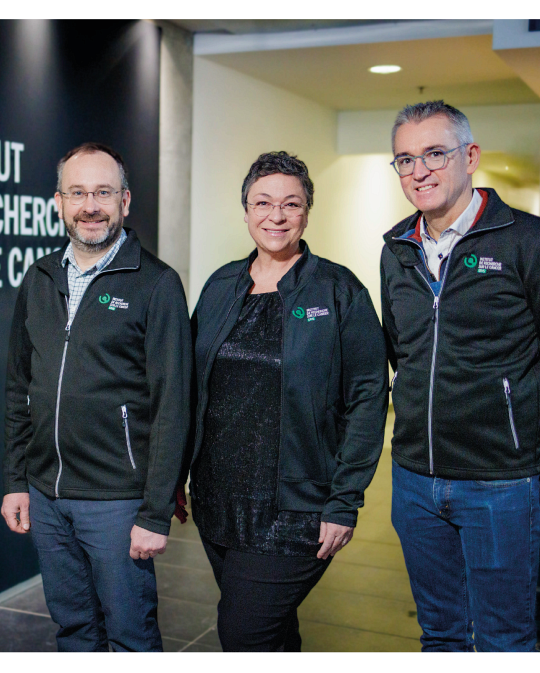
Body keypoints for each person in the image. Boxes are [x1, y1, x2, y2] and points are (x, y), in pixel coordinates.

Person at [380, 101, 540, 651]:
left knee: (503, 640)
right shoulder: (396, 249)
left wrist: (530, 435)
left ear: (470, 156)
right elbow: (399, 348)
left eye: (434, 153)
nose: (420, 171)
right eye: (405, 159)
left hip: (498, 482)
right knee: (440, 635)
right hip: (414, 480)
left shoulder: (528, 240)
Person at [185, 151, 389, 651]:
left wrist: (344, 502)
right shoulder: (220, 286)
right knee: (272, 635)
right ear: (247, 210)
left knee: (244, 633)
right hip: (218, 500)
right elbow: (190, 388)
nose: (276, 215)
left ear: (306, 212)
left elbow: (369, 395)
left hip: (296, 507)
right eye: (263, 202)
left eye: (291, 204)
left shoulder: (338, 290)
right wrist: (174, 475)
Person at [0, 142, 192, 652]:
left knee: (131, 635)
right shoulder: (40, 278)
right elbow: (21, 388)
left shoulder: (156, 284)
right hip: (46, 494)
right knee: (74, 629)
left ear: (125, 202)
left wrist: (154, 513)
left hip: (116, 499)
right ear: (58, 202)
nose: (91, 205)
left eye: (103, 192)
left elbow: (174, 405)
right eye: (78, 192)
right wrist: (17, 481)